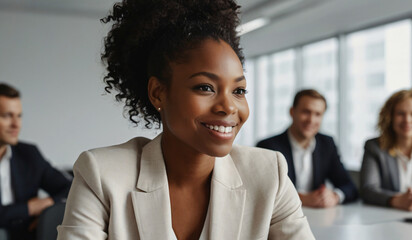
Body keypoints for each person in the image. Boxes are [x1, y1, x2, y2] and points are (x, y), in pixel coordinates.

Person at [57, 0, 314, 239]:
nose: (228, 106)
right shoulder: (102, 175)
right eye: (205, 87)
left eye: (239, 91)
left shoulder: (269, 174)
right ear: (158, 93)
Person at [257, 89, 358, 208]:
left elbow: (349, 186)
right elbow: (262, 192)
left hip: (318, 217)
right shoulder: (268, 147)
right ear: (292, 112)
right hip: (280, 218)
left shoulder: (327, 144)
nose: (311, 120)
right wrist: (300, 198)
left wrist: (334, 196)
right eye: (306, 112)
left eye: (318, 114)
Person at [0, 83, 72, 240]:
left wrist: (48, 205)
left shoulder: (28, 154)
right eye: (7, 115)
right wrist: (30, 208)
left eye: (19, 116)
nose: (16, 125)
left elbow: (71, 186)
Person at [360, 89, 412, 211]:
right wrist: (397, 200)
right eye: (400, 113)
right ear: (390, 117)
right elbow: (368, 190)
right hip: (387, 219)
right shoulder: (374, 147)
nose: (407, 120)